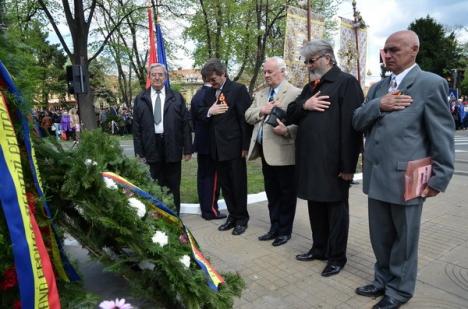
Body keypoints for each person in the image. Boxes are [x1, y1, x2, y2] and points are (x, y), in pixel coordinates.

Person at [352, 30, 454, 309]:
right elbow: (357, 120)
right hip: (377, 176)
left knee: (404, 241)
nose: (387, 55)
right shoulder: (377, 88)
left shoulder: (429, 84)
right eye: (385, 50)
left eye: (394, 50)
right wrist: (379, 105)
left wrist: (440, 177)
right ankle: (382, 280)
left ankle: (399, 291)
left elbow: (442, 133)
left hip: (408, 179)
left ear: (414, 50)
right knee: (380, 237)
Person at [287, 40, 363, 277]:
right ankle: (319, 248)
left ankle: (337, 256)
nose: (308, 65)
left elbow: (352, 128)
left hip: (333, 164)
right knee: (315, 207)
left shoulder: (346, 83)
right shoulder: (310, 88)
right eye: (306, 61)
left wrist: (348, 165)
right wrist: (306, 105)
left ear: (328, 58)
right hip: (310, 161)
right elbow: (291, 113)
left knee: (336, 211)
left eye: (312, 60)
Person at [245, 56, 300, 246]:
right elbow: (248, 115)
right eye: (265, 72)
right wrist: (263, 110)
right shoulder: (261, 94)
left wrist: (287, 131)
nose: (266, 75)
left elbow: (302, 124)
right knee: (272, 194)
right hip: (265, 154)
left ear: (282, 72)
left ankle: (285, 232)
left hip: (284, 154)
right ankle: (274, 228)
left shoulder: (295, 93)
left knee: (286, 195)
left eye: (270, 71)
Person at [196, 58, 252, 236]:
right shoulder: (207, 93)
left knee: (237, 184)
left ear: (223, 74)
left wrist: (245, 145)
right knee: (225, 186)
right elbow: (199, 114)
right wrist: (208, 112)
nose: (210, 83)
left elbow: (245, 120)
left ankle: (242, 218)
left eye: (213, 79)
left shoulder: (237, 90)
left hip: (234, 147)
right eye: (208, 80)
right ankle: (232, 216)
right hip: (216, 148)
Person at [133, 63, 192, 215]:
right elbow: (137, 129)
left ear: (165, 77)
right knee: (154, 185)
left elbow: (185, 125)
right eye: (154, 75)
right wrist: (139, 153)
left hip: (172, 146)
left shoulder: (176, 97)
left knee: (173, 186)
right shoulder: (140, 99)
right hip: (151, 147)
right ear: (149, 77)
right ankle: (158, 218)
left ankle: (175, 217)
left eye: (160, 75)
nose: (157, 77)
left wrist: (187, 149)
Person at [190, 71, 225, 220]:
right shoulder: (211, 93)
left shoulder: (197, 94)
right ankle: (210, 210)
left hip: (202, 143)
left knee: (204, 177)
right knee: (212, 179)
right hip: (211, 144)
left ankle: (206, 208)